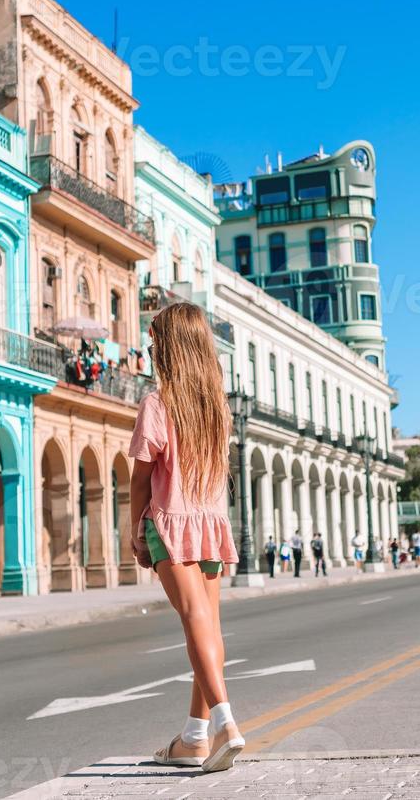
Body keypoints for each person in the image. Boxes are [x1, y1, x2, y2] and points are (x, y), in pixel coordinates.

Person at [129, 303, 244, 773]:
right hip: (211, 523)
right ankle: (195, 737)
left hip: (169, 523)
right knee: (208, 625)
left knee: (194, 619)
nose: (151, 349)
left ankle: (226, 722)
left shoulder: (157, 404)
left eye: (155, 342)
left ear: (169, 348)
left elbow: (139, 479)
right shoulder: (217, 408)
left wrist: (136, 530)